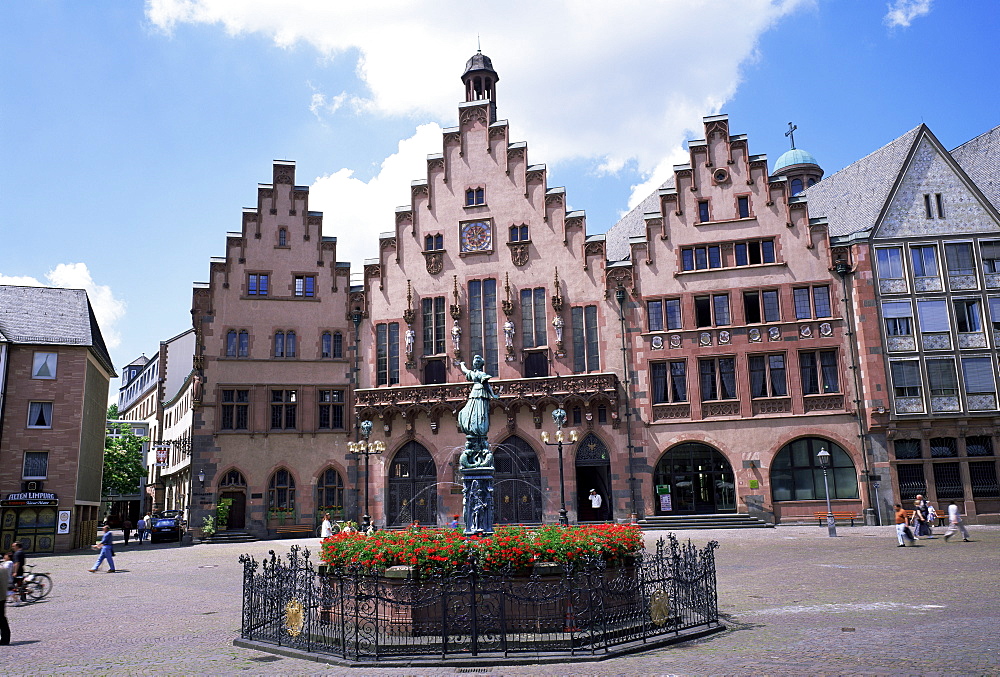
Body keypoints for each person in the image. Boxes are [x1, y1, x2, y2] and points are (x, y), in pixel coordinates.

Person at [0, 555, 9, 645]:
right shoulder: (3, 569)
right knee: (2, 618)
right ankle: (5, 638)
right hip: (3, 596)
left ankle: (5, 639)